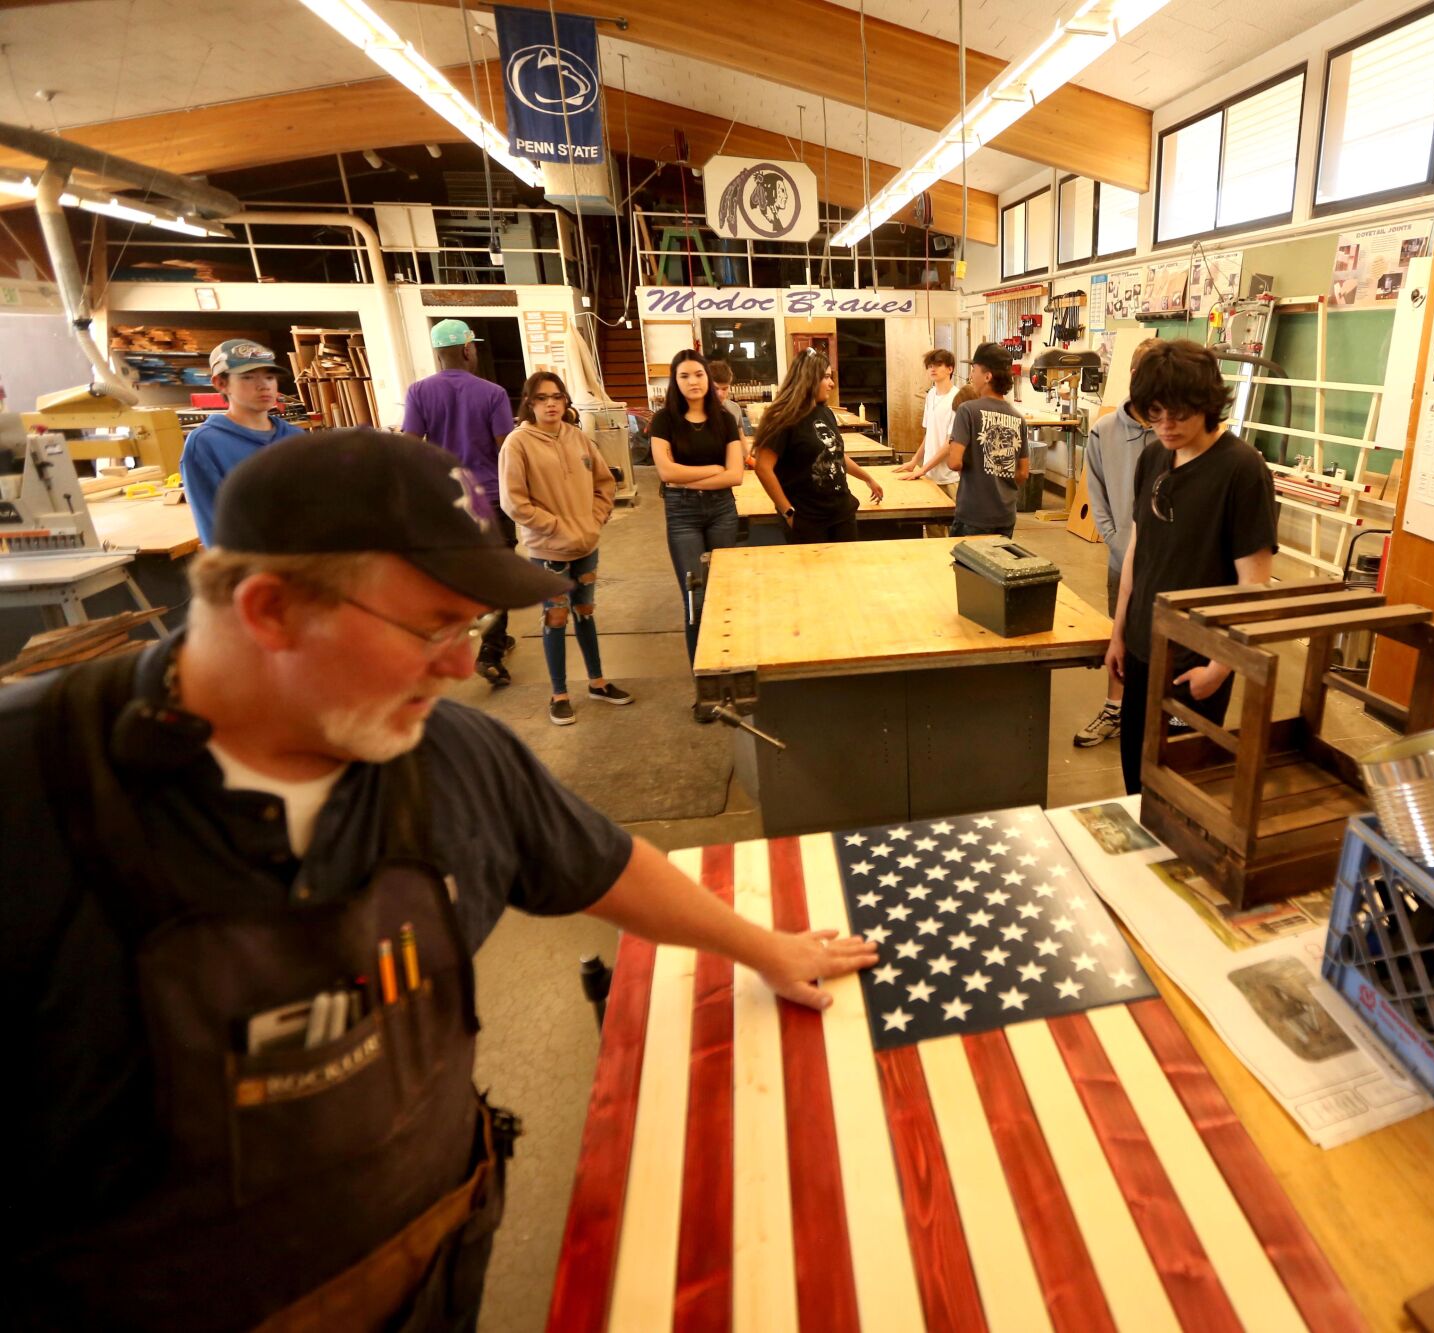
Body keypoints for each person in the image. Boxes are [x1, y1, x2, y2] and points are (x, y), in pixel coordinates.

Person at [0, 428, 877, 1331]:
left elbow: (603, 865)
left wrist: (764, 947)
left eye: (469, 626)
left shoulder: (449, 754)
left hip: (432, 1269)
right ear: (268, 610)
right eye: (432, 627)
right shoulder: (32, 795)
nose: (464, 665)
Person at [1106, 340, 1277, 796]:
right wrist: (1119, 633)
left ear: (1206, 404)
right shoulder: (1154, 457)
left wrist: (1219, 668)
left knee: (1179, 779)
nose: (1165, 426)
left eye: (1177, 414)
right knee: (1135, 772)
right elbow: (1138, 554)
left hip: (1193, 666)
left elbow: (1253, 587)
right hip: (1143, 649)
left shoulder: (1242, 470)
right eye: (1154, 413)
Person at [499, 372, 634, 726]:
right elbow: (514, 503)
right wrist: (556, 526)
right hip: (548, 551)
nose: (551, 404)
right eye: (542, 398)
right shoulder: (517, 443)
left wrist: (595, 519)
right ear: (529, 402)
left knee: (586, 613)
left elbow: (604, 482)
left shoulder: (577, 438)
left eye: (557, 397)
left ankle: (597, 682)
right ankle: (559, 694)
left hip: (587, 544)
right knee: (555, 618)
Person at [401, 318, 519, 687]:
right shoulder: (492, 393)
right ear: (468, 349)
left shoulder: (418, 391)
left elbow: (410, 444)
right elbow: (507, 448)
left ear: (438, 354)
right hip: (490, 499)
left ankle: (452, 648)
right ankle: (491, 652)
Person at [1073, 337, 1163, 749]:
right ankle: (1115, 710)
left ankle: (1156, 719)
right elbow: (1097, 491)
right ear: (1133, 377)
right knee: (1121, 636)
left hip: (1170, 566)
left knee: (1167, 646)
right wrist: (1114, 540)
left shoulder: (1173, 431)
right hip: (1122, 560)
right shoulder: (1104, 431)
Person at [650, 349, 746, 664]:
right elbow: (666, 472)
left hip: (721, 511)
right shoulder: (664, 421)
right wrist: (712, 471)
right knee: (695, 599)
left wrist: (685, 479)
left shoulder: (726, 419)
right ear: (675, 382)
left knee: (725, 594)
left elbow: (735, 474)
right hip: (682, 515)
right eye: (684, 376)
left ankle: (727, 667)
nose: (693, 381)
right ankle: (703, 682)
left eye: (698, 374)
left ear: (707, 377)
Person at [752, 347, 882, 543]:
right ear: (810, 378)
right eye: (827, 377)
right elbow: (763, 468)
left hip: (841, 512)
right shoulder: (783, 418)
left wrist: (867, 478)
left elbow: (835, 454)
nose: (832, 383)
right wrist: (787, 512)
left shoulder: (826, 413)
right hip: (808, 519)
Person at [182, 338, 303, 547]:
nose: (263, 385)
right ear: (221, 383)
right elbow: (213, 526)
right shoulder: (206, 444)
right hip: (252, 568)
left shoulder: (295, 438)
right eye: (248, 377)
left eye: (270, 377)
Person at [945, 343, 1028, 538]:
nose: (971, 376)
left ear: (987, 376)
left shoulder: (967, 410)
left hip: (974, 514)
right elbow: (1023, 473)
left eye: (974, 370)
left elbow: (954, 462)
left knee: (965, 568)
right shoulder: (1018, 418)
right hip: (1005, 515)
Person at [895, 347, 960, 494]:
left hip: (949, 477)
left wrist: (922, 469)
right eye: (930, 366)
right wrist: (914, 461)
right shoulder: (931, 394)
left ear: (950, 369)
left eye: (938, 365)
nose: (933, 369)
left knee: (953, 516)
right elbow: (929, 434)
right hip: (929, 475)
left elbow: (951, 443)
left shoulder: (957, 398)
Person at [708, 356, 748, 437]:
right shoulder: (699, 411)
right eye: (715, 388)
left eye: (724, 388)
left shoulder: (735, 408)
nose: (720, 393)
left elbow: (740, 436)